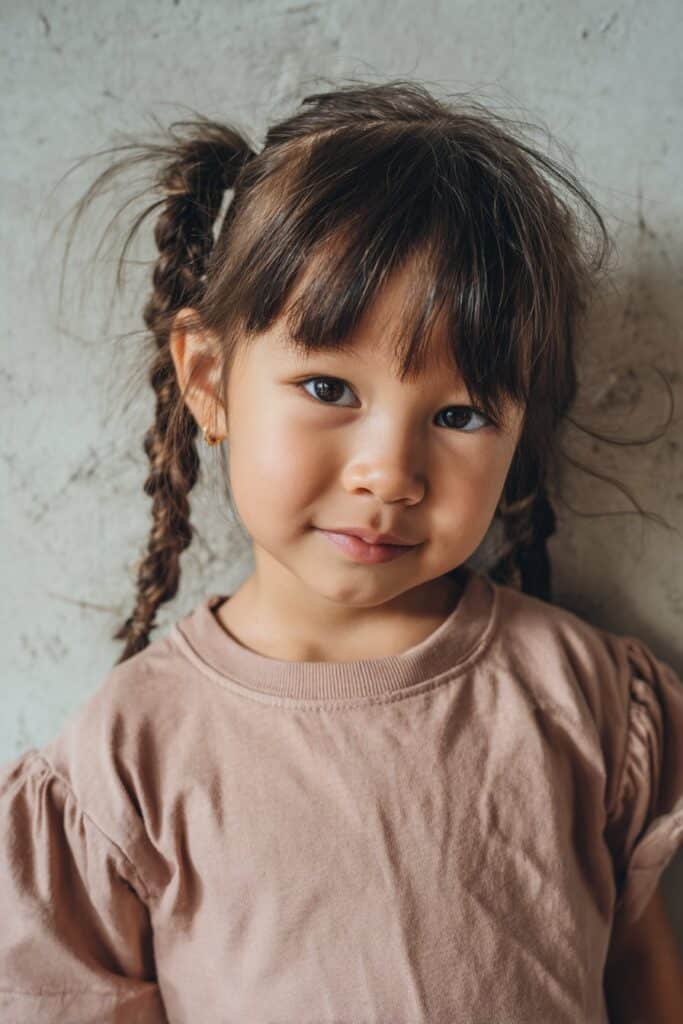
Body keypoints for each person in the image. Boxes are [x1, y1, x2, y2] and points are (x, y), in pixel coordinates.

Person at [1, 78, 681, 1024]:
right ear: (209, 380)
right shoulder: (130, 757)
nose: (389, 473)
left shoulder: (583, 695)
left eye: (460, 415)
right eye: (328, 389)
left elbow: (638, 964)